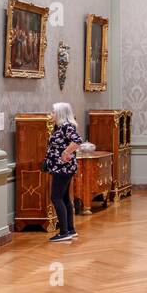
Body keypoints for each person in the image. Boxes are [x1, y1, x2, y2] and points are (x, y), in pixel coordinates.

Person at [46, 102, 83, 244]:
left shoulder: (66, 126)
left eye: (53, 112)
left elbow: (77, 141)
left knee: (56, 197)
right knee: (65, 198)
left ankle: (63, 232)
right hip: (63, 168)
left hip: (62, 168)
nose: (51, 114)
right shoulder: (61, 127)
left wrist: (66, 152)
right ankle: (70, 230)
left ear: (60, 114)